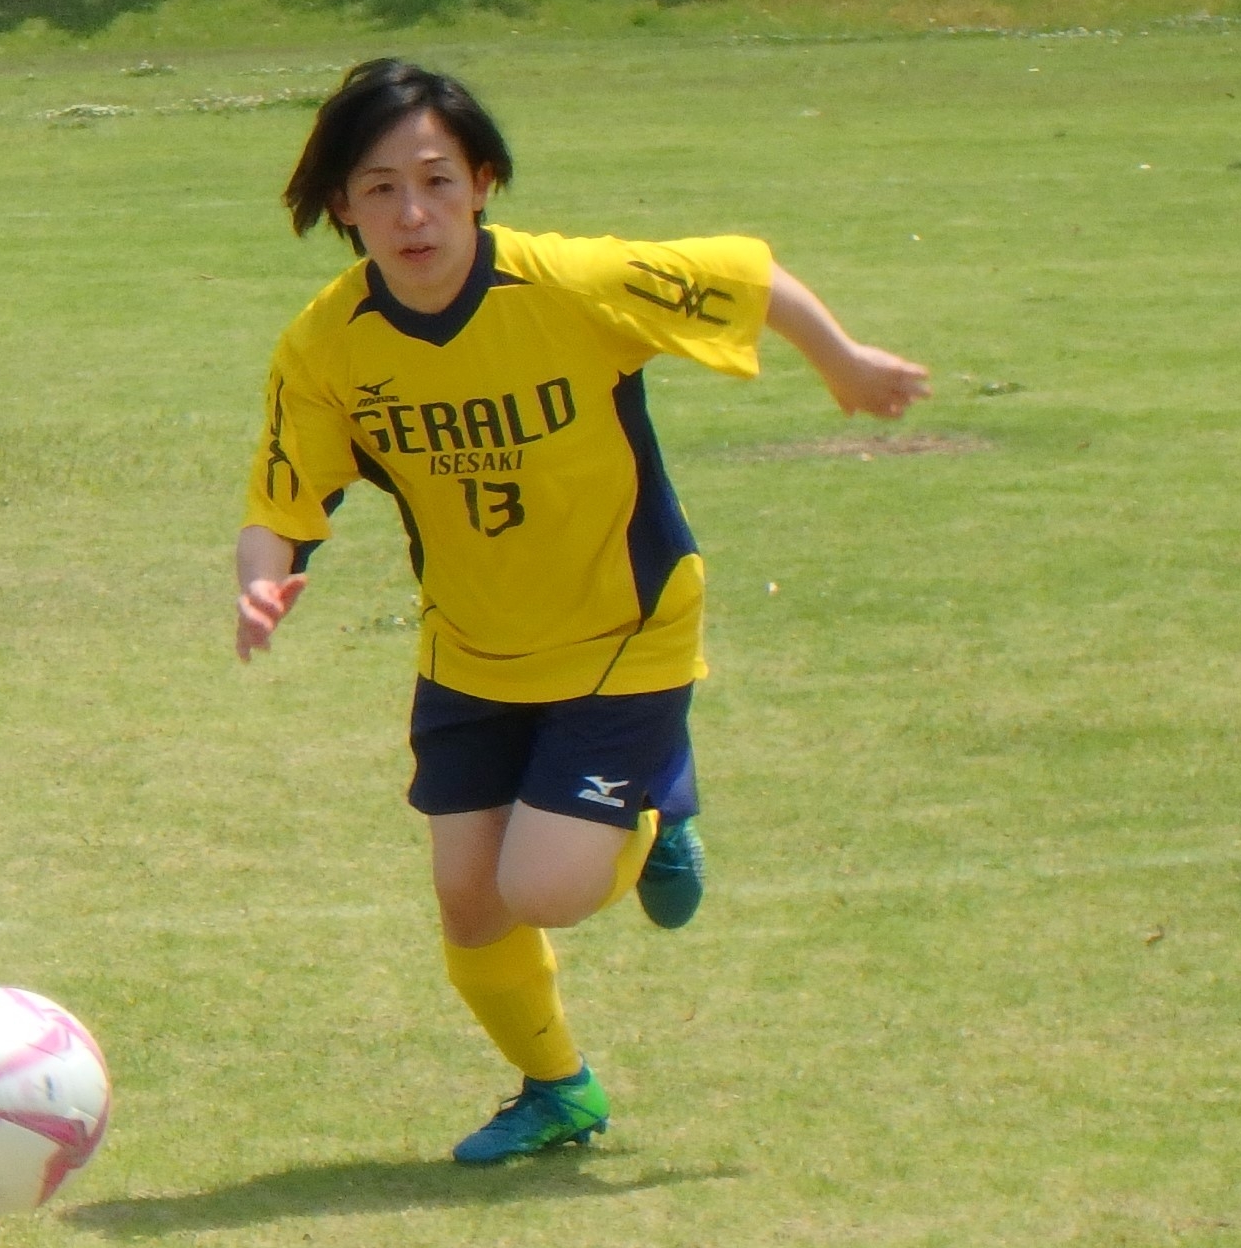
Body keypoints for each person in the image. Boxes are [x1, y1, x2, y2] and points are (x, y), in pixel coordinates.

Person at [234, 59, 930, 1163]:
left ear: (483, 182)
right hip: (470, 646)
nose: (413, 214)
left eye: (437, 181)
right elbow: (281, 494)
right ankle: (559, 1089)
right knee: (470, 905)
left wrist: (840, 359)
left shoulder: (572, 282)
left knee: (543, 889)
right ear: (339, 206)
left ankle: (657, 802)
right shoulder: (327, 346)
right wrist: (259, 579)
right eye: (379, 188)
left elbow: (745, 275)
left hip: (626, 633)